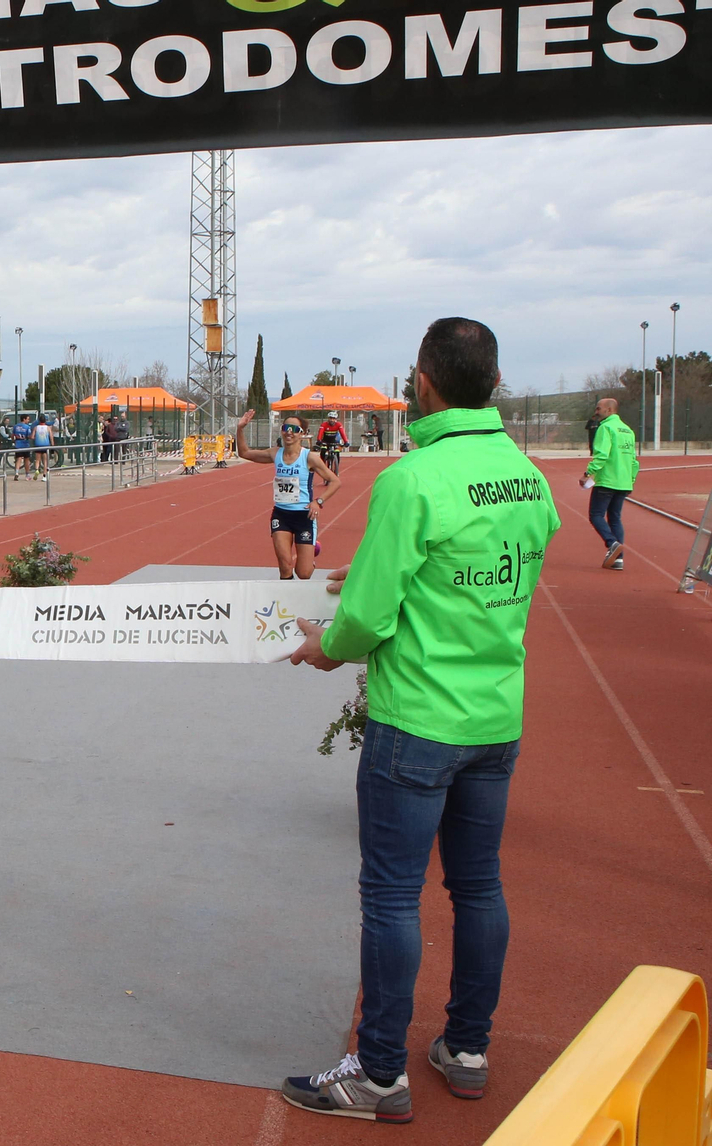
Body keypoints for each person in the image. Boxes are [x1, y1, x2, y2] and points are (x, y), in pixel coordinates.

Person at [281, 318, 561, 1125]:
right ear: (495, 385)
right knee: (478, 886)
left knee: (393, 896)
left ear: (424, 384)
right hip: (495, 718)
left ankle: (376, 1075)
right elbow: (507, 563)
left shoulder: (415, 478)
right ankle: (466, 1048)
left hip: (418, 721)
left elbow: (366, 622)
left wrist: (323, 646)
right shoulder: (525, 473)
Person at [235, 410, 341, 578]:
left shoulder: (309, 457)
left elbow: (335, 481)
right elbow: (244, 453)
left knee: (303, 573)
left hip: (304, 516)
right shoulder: (275, 453)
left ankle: (311, 553)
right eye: (286, 427)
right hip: (281, 514)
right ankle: (286, 603)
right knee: (285, 566)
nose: (289, 432)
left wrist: (318, 501)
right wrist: (240, 429)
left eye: (294, 428)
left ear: (302, 434)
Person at [583, 396, 638, 570]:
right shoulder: (628, 430)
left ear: (609, 410)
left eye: (599, 409)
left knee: (596, 515)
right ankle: (618, 559)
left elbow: (601, 455)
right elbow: (634, 461)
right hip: (623, 482)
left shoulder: (605, 428)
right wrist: (631, 480)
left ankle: (612, 543)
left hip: (607, 481)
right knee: (615, 518)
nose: (596, 412)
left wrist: (588, 473)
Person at [31, 413, 54, 479]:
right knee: (45, 461)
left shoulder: (36, 427)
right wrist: (52, 444)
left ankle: (37, 470)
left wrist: (36, 437)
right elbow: (51, 437)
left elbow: (32, 437)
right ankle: (44, 475)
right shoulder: (48, 428)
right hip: (46, 445)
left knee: (37, 460)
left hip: (38, 445)